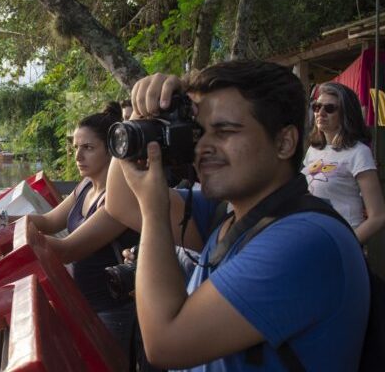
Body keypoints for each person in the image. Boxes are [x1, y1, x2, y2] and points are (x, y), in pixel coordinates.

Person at [105, 60, 369, 370]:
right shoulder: (226, 213)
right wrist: (144, 118)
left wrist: (154, 212)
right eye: (198, 132)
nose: (202, 147)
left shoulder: (305, 240)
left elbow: (165, 344)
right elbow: (121, 202)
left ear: (285, 142)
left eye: (224, 131)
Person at [0, 102, 144, 363]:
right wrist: (3, 218)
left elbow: (68, 250)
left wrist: (2, 229)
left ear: (113, 150)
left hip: (111, 313)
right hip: (82, 309)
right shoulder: (86, 185)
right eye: (76, 147)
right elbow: (49, 221)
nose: (77, 157)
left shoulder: (119, 200)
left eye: (88, 148)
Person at [303, 81, 385, 244]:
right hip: (314, 241)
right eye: (317, 107)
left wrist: (346, 244)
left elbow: (378, 216)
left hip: (341, 243)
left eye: (330, 108)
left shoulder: (359, 152)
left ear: (346, 114)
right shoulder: (314, 150)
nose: (321, 113)